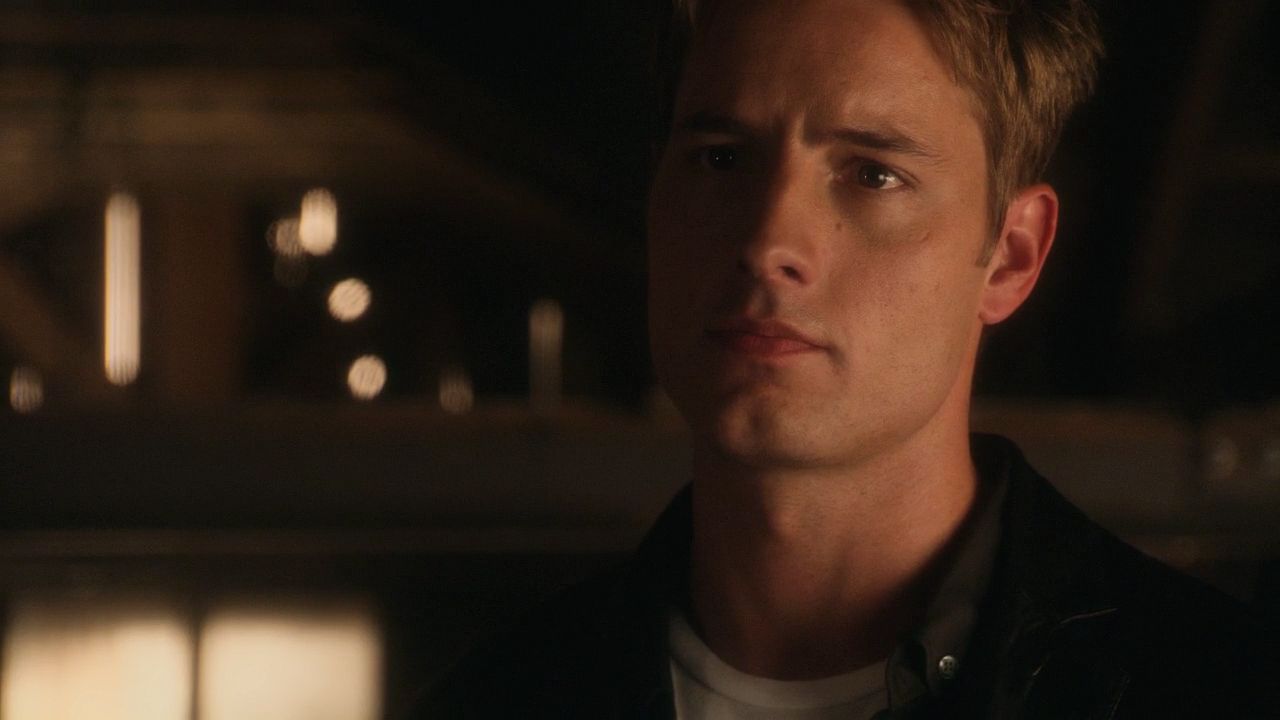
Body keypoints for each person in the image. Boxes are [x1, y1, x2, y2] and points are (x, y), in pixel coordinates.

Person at [413, 0, 1278, 717]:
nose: (768, 243)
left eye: (872, 174)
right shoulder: (497, 699)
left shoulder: (1214, 691)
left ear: (1011, 256)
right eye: (720, 159)